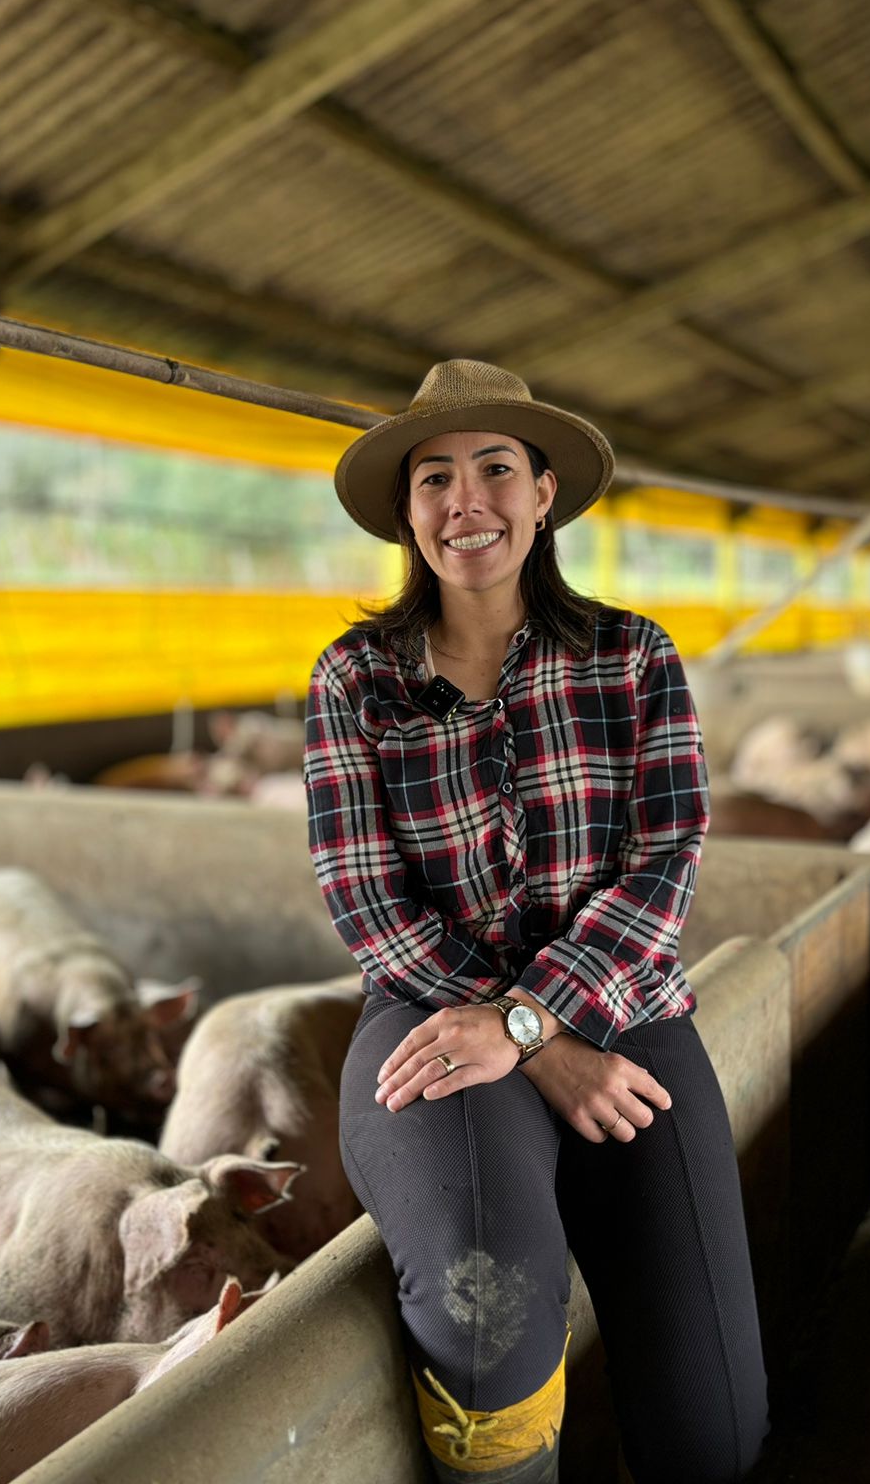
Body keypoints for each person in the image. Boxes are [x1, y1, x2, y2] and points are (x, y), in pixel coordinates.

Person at [304, 360, 768, 1483]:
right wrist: (518, 1035)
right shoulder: (355, 678)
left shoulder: (632, 656)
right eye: (435, 478)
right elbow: (363, 891)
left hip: (624, 1010)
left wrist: (535, 1023)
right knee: (488, 1305)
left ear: (545, 491)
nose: (467, 502)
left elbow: (666, 861)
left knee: (715, 1420)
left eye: (495, 469)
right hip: (427, 1007)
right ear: (409, 512)